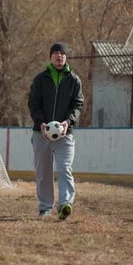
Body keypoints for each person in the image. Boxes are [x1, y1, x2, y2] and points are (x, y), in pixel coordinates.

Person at [28, 42, 84, 220]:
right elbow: (33, 104)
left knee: (64, 169)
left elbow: (78, 104)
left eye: (62, 53)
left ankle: (65, 205)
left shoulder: (74, 80)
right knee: (43, 172)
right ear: (50, 57)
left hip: (65, 135)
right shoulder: (40, 79)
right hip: (41, 134)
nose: (59, 56)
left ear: (66, 57)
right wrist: (42, 123)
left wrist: (68, 122)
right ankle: (45, 208)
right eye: (56, 53)